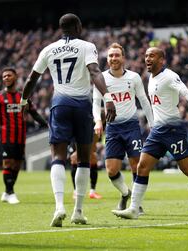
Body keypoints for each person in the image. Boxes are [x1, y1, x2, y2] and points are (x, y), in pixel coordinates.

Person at [20, 13, 116, 227]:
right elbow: (95, 72)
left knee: (58, 156)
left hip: (60, 103)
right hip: (82, 105)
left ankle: (59, 207)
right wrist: (108, 98)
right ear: (77, 26)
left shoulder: (48, 49)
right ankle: (78, 211)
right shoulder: (86, 46)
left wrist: (23, 101)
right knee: (84, 157)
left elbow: (30, 79)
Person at [112, 47, 188, 220]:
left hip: (173, 130)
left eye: (152, 56)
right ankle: (134, 208)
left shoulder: (170, 76)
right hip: (157, 131)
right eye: (146, 55)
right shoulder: (151, 77)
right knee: (142, 166)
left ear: (162, 60)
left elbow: (186, 92)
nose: (148, 59)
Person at [92, 42, 154, 211]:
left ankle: (136, 203)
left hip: (132, 127)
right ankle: (126, 193)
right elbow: (96, 103)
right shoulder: (100, 78)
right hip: (112, 128)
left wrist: (153, 125)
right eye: (111, 55)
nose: (113, 58)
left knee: (136, 165)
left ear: (123, 58)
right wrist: (98, 120)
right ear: (107, 59)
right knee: (111, 170)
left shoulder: (133, 77)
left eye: (117, 55)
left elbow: (144, 101)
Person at [0, 67, 47, 204]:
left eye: (9, 76)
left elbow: (34, 114)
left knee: (17, 165)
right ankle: (11, 193)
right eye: (4, 76)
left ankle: (7, 192)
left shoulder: (23, 98)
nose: (6, 78)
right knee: (8, 163)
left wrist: (47, 125)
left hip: (20, 138)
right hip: (5, 137)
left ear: (15, 77)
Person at [70, 132, 102, 199]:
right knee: (76, 156)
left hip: (92, 126)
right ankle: (76, 191)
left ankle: (92, 192)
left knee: (93, 157)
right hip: (78, 127)